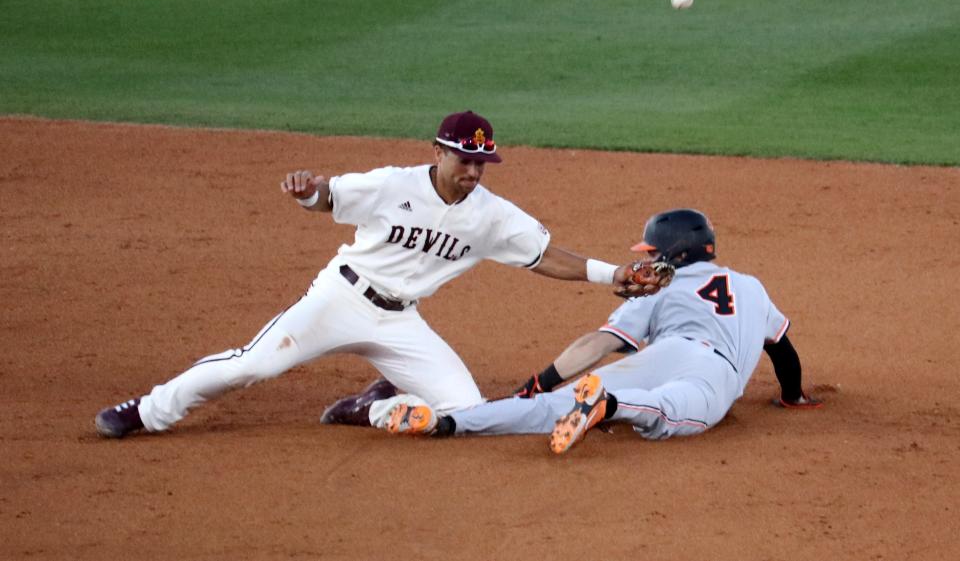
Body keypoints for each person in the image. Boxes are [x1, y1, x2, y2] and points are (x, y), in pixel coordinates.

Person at [94, 111, 669, 438]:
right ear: (439, 153)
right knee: (253, 366)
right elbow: (328, 198)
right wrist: (307, 192)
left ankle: (365, 404)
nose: (473, 171)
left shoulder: (493, 214)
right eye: (464, 160)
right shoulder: (394, 184)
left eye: (481, 163)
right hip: (338, 301)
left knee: (466, 416)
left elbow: (545, 256)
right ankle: (146, 410)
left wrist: (613, 272)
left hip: (401, 322)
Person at [377, 208, 823, 453]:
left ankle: (449, 422)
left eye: (652, 252)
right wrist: (792, 396)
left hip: (656, 357)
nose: (646, 260)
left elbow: (600, 343)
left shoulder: (659, 289)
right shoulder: (751, 287)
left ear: (676, 253)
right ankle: (606, 404)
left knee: (548, 405)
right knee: (668, 412)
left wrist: (539, 382)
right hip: (712, 371)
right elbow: (783, 351)